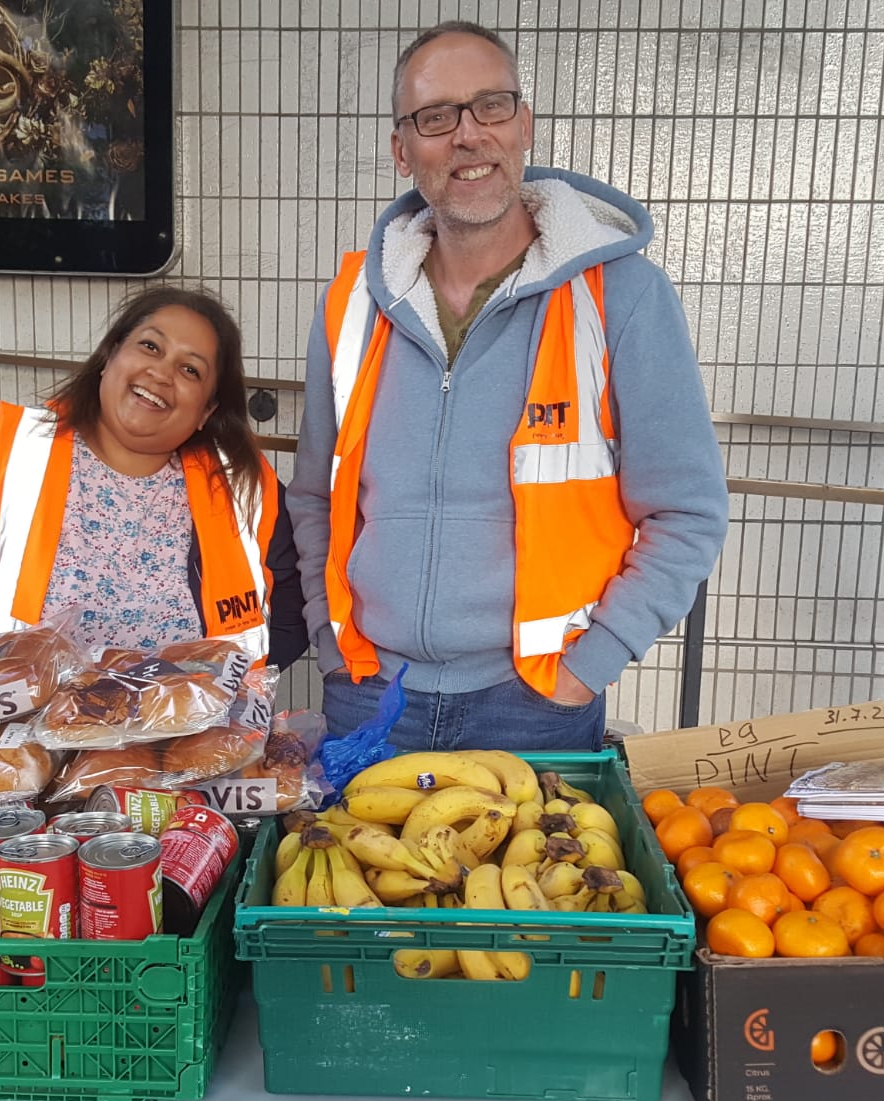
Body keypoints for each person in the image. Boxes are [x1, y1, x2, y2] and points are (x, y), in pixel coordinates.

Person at [286, 21, 729, 752]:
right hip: (368, 692)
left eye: (490, 106)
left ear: (523, 125)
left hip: (535, 701)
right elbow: (313, 496)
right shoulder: (352, 304)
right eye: (436, 117)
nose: (468, 135)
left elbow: (688, 512)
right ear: (403, 150)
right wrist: (331, 644)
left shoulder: (620, 298)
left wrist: (592, 663)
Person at [0, 286, 307, 670]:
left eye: (191, 370)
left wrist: (223, 696)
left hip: (178, 760)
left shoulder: (241, 486)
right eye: (150, 346)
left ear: (207, 410)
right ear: (110, 356)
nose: (161, 373)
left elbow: (298, 599)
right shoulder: (11, 451)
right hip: (12, 754)